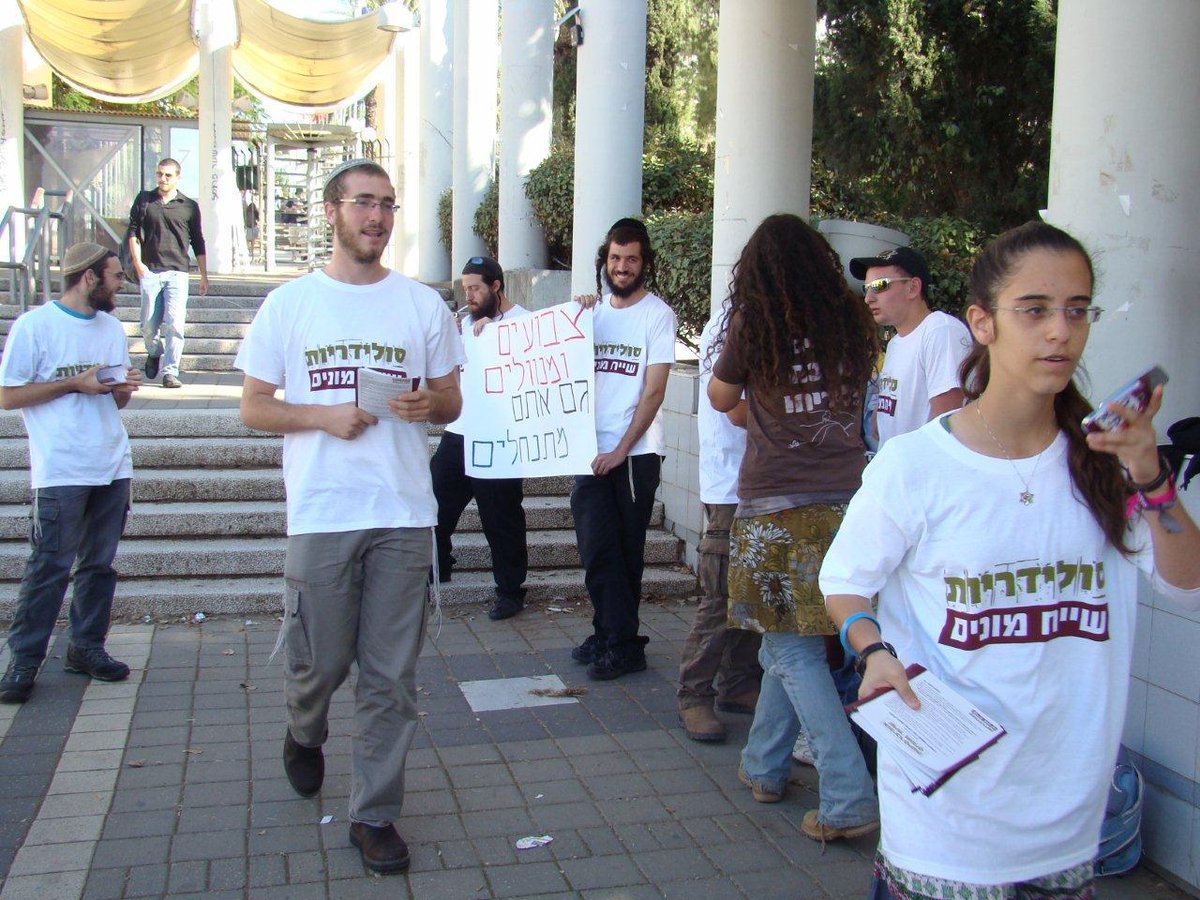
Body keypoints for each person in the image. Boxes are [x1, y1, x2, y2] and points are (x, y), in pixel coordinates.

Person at [821, 221, 1200, 898]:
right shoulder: (917, 464)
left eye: (1077, 310)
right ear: (983, 322)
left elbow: (1188, 582)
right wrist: (872, 650)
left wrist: (1149, 469)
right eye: (1035, 310)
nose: (1060, 331)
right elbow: (845, 583)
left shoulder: (1106, 465)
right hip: (944, 831)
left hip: (1065, 829)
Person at [234, 159, 463, 875]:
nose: (378, 217)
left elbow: (452, 398)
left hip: (402, 512)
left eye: (388, 204)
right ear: (331, 211)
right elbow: (253, 405)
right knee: (322, 663)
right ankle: (305, 730)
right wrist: (321, 417)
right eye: (364, 203)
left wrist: (435, 405)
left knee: (390, 678)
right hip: (323, 512)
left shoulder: (421, 305)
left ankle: (374, 815)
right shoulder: (290, 304)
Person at [708, 214, 880, 841]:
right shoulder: (852, 318)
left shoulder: (756, 322)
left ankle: (847, 795)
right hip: (848, 503)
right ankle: (764, 766)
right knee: (790, 642)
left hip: (777, 507)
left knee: (789, 646)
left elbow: (720, 396)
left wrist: (764, 411)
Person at [0, 243, 143, 704]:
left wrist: (123, 388)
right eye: (116, 276)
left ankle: (86, 648)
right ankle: (23, 660)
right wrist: (73, 383)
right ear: (88, 277)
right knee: (49, 567)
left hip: (111, 463)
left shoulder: (111, 328)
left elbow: (114, 399)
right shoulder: (35, 327)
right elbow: (8, 395)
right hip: (61, 467)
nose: (122, 283)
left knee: (98, 567)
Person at [571, 217, 677, 680]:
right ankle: (610, 632)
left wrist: (621, 449)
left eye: (631, 259)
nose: (622, 266)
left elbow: (653, 392)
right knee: (596, 549)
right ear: (605, 260)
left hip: (634, 456)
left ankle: (622, 643)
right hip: (588, 452)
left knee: (623, 552)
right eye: (615, 258)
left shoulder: (658, 315)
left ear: (643, 262)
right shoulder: (591, 314)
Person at [676, 302, 762, 742]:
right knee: (721, 594)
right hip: (733, 482)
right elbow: (733, 408)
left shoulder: (747, 314)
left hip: (753, 479)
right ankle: (694, 694)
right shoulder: (740, 319)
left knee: (750, 591)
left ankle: (739, 685)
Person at [430, 255, 530, 621]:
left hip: (498, 437)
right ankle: (438, 565)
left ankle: (510, 591)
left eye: (475, 288)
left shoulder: (523, 323)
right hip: (458, 433)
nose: (468, 295)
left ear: (496, 287)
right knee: (432, 503)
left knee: (500, 518)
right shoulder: (462, 324)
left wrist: (498, 334)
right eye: (465, 288)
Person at [849, 246, 969, 448]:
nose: (868, 297)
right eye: (866, 288)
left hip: (924, 474)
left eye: (879, 285)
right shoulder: (896, 342)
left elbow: (948, 422)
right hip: (898, 472)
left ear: (913, 288)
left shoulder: (940, 330)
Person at [126, 157, 209, 389]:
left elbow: (198, 241)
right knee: (148, 325)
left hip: (178, 272)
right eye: (160, 174)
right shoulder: (145, 200)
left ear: (177, 178)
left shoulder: (188, 206)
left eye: (168, 175)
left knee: (175, 324)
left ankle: (171, 371)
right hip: (150, 270)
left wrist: (203, 275)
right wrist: (137, 263)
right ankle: (154, 351)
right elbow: (133, 232)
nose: (163, 179)